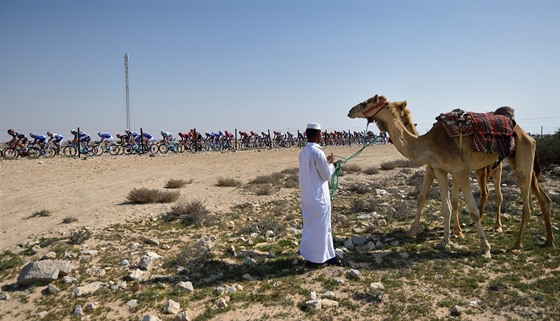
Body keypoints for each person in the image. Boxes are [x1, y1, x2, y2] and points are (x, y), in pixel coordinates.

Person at [298, 122, 341, 268]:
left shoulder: (303, 152)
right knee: (321, 228)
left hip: (307, 197)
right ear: (318, 135)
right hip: (318, 198)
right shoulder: (317, 152)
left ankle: (329, 255)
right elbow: (326, 175)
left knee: (314, 227)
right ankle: (316, 260)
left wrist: (326, 162)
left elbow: (314, 170)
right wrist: (332, 165)